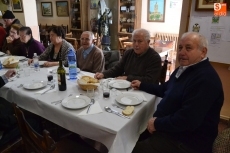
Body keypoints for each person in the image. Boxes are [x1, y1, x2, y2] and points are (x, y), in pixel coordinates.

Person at [131, 32, 224, 153]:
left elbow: (188, 120)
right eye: (180, 48)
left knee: (135, 148)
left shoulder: (205, 79)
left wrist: (157, 123)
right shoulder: (184, 69)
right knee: (133, 135)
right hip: (170, 127)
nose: (182, 52)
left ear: (203, 52)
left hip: (187, 141)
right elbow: (165, 88)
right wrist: (142, 85)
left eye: (188, 48)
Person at [95, 28, 161, 83]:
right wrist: (103, 74)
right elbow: (118, 69)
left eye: (140, 41)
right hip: (128, 87)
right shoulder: (128, 53)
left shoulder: (154, 57)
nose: (136, 44)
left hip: (146, 91)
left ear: (148, 42)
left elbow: (150, 80)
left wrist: (128, 78)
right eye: (134, 41)